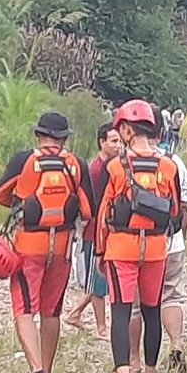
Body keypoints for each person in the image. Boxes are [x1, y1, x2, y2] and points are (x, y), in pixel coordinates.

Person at [0, 111, 94, 373]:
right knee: (52, 311)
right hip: (62, 246)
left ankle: (36, 369)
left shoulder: (24, 160)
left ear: (38, 135)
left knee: (24, 307)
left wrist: (22, 201)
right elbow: (87, 209)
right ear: (63, 138)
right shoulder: (76, 164)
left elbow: (0, 194)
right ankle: (46, 370)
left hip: (29, 244)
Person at [93, 99, 181, 373]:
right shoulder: (168, 166)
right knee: (152, 310)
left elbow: (103, 210)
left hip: (122, 248)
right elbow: (175, 212)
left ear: (127, 130)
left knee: (120, 311)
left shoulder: (115, 166)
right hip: (156, 249)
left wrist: (99, 251)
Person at [128, 113, 187, 373]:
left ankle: (133, 359)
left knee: (135, 304)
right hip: (171, 241)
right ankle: (175, 343)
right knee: (171, 296)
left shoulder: (125, 162)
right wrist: (180, 238)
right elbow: (183, 208)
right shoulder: (174, 163)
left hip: (134, 243)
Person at [64, 122, 121, 338]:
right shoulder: (97, 169)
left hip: (104, 230)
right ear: (102, 142)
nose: (118, 146)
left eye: (119, 141)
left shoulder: (111, 166)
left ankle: (75, 314)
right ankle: (101, 327)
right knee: (97, 281)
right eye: (113, 141)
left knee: (98, 279)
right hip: (95, 232)